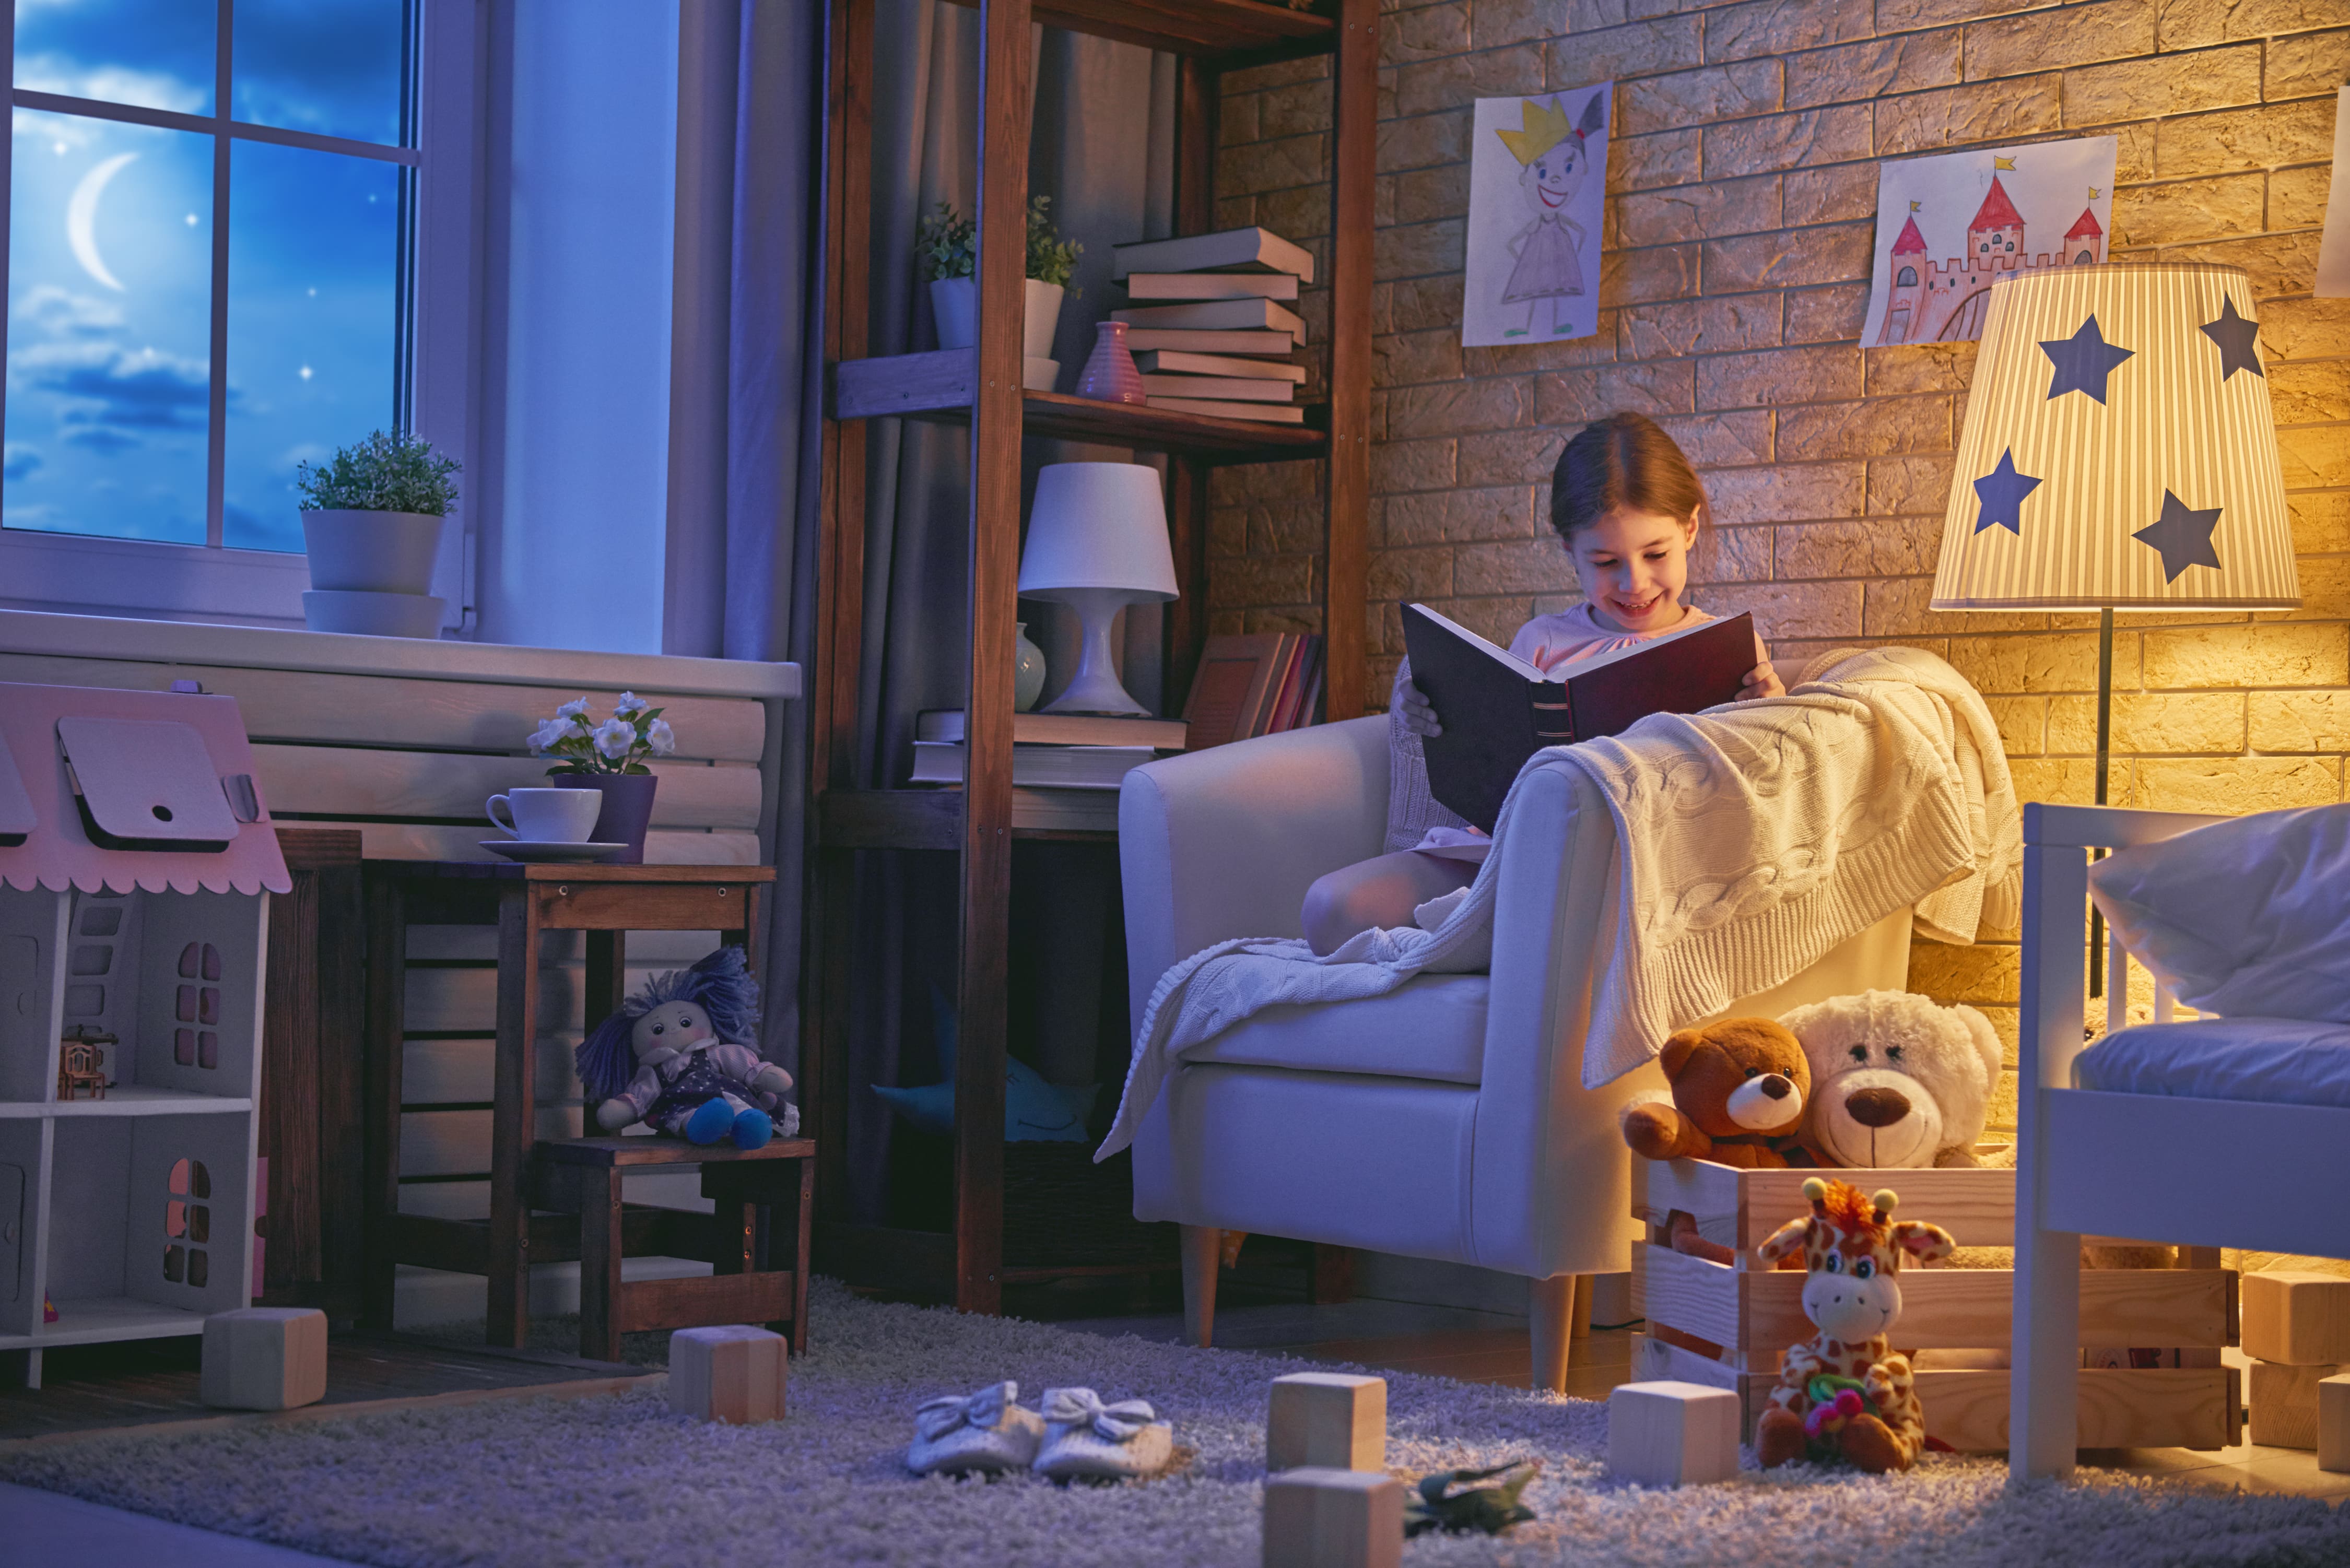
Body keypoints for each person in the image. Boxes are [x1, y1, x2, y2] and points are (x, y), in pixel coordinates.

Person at [1299, 411, 1785, 955]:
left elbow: (1760, 800)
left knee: (1562, 922)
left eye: (1656, 554)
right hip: (1516, 855)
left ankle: (1484, 943)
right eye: (1605, 562)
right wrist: (1431, 718)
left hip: (1643, 872)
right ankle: (1487, 937)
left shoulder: (1724, 649)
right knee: (1331, 909)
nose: (1634, 583)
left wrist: (1775, 719)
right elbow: (1491, 770)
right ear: (1568, 552)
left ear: (1689, 530)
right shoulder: (1541, 642)